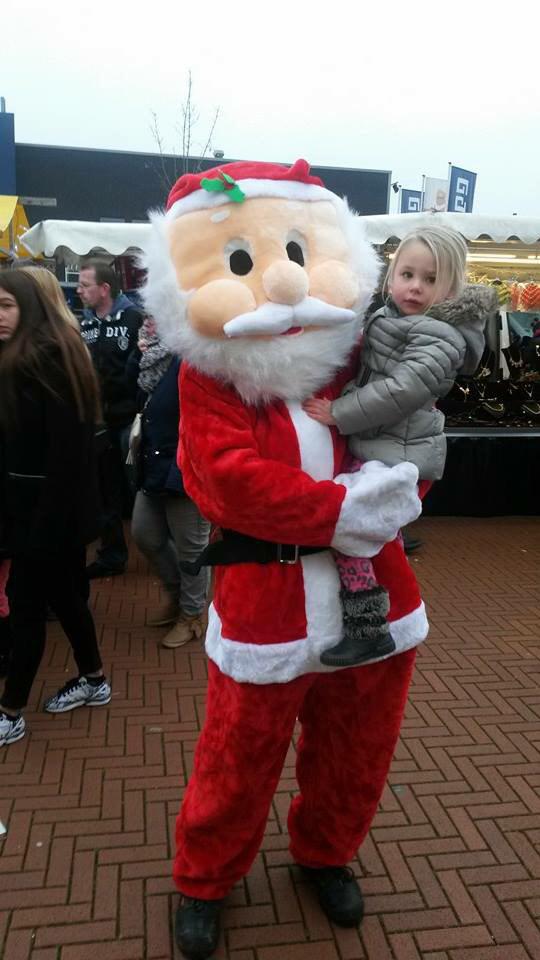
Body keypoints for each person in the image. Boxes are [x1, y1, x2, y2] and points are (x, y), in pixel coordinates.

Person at [144, 159, 425, 960]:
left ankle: (326, 852)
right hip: (268, 601)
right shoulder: (213, 377)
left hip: (378, 599)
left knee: (356, 749)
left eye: (299, 256)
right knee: (238, 754)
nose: (283, 284)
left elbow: (414, 451)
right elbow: (225, 483)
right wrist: (344, 508)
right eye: (245, 263)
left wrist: (399, 492)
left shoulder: (358, 357)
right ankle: (204, 877)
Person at [304, 226, 496, 666]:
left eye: (430, 279)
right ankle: (368, 619)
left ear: (450, 287)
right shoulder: (391, 317)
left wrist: (340, 412)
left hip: (401, 454)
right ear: (391, 277)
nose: (415, 286)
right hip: (384, 446)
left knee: (344, 524)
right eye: (407, 274)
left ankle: (369, 627)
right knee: (352, 535)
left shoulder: (441, 335)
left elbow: (404, 389)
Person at [0, 271, 111, 748]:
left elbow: (67, 458)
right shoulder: (22, 356)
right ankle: (94, 679)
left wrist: (41, 532)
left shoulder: (51, 360)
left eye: (5, 306)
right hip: (36, 508)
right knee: (66, 599)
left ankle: (11, 710)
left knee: (27, 606)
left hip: (47, 514)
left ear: (28, 305)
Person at [128, 317, 210, 647]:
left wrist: (186, 467)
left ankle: (191, 616)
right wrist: (139, 352)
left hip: (184, 465)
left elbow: (204, 415)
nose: (151, 318)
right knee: (144, 533)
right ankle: (178, 595)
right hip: (153, 459)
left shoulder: (196, 351)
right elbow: (133, 392)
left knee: (192, 547)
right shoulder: (154, 352)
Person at [77, 259, 144, 578]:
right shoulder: (85, 323)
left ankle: (159, 546)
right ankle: (112, 554)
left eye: (84, 285)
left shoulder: (133, 318)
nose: (78, 291)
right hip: (100, 422)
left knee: (138, 484)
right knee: (106, 489)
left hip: (130, 419)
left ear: (105, 288)